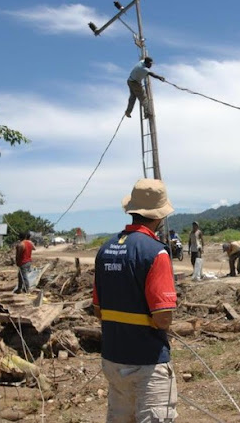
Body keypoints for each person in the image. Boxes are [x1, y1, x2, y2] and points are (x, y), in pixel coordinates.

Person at [93, 178, 178, 422]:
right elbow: (162, 318)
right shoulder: (156, 252)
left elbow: (98, 310)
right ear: (159, 216)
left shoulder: (105, 249)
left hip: (113, 359)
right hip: (147, 363)